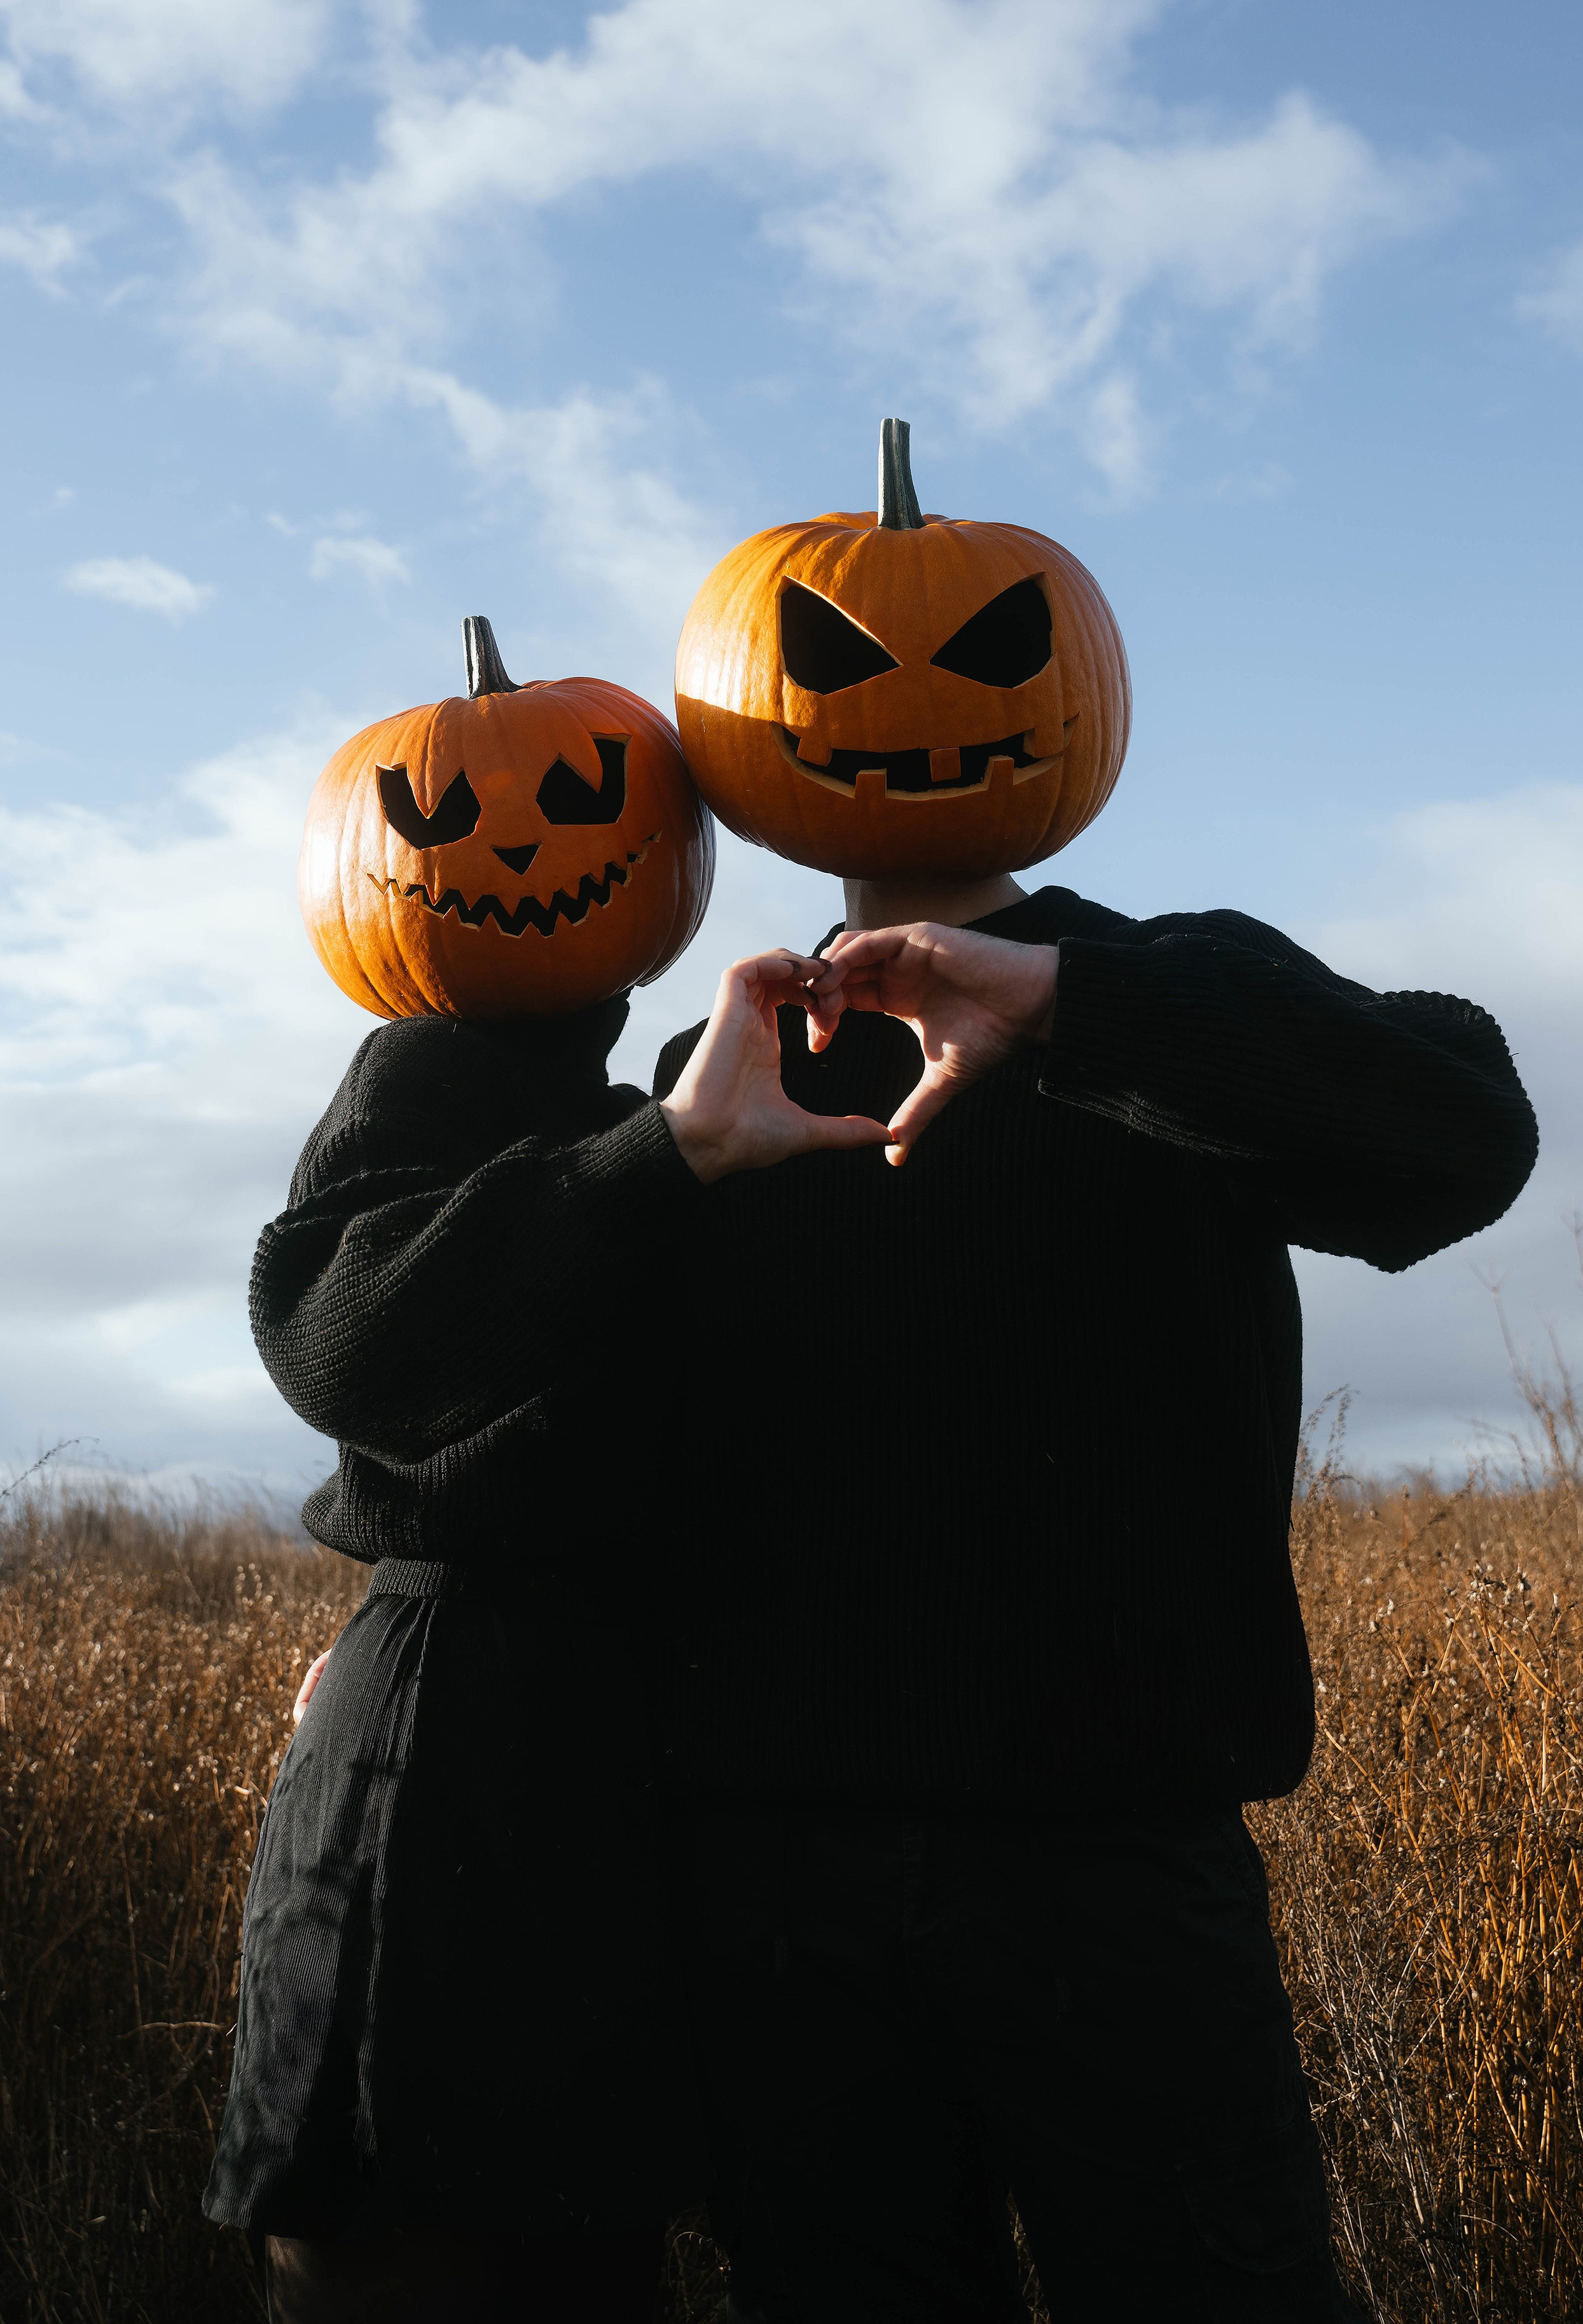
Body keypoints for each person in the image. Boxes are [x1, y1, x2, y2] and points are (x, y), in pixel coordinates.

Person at [651, 867, 1538, 2324]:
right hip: (783, 1903)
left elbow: (1460, 1133)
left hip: (1112, 1875)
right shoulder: (721, 1064)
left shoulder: (1158, 991)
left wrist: (1068, 1001)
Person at [202, 943, 892, 2324]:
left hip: (592, 1754)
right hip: (456, 1744)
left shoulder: (632, 1099)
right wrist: (669, 1149)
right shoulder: (430, 1068)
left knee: (567, 2252)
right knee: (415, 2247)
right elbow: (337, 1346)